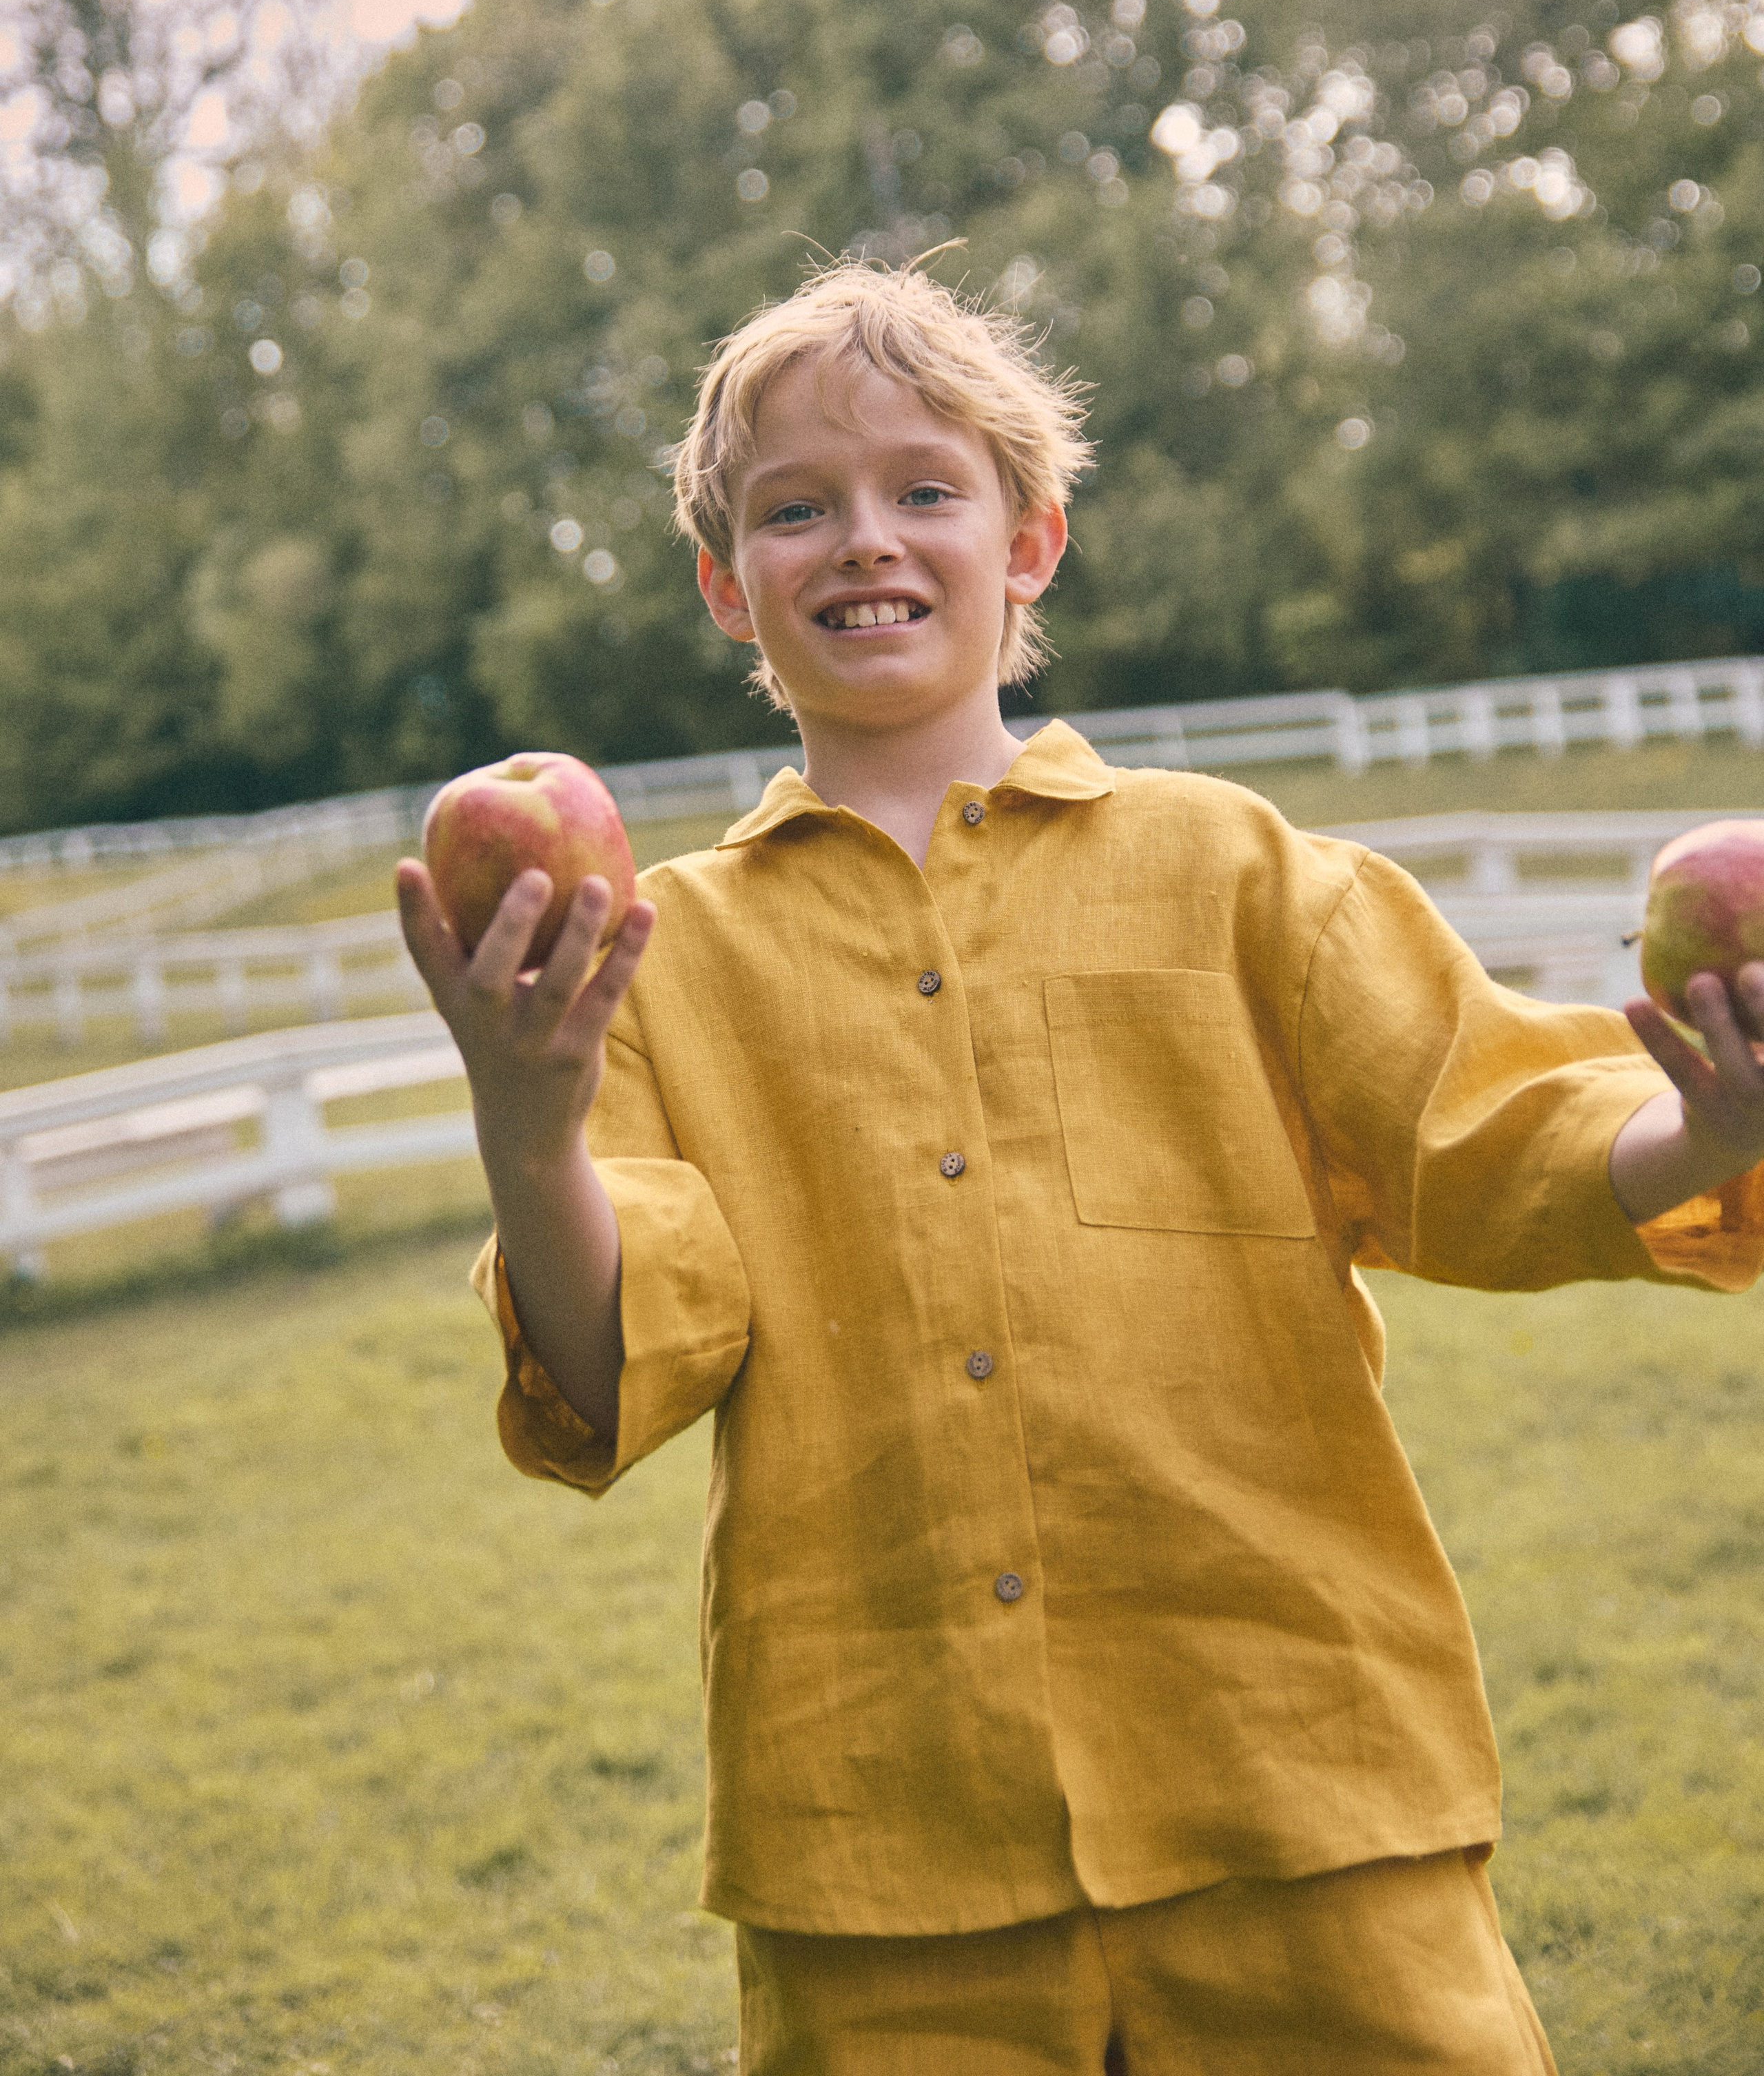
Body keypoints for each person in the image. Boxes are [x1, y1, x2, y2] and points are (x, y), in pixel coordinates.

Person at [398, 260, 1764, 2075]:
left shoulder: (1241, 872)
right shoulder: (666, 955)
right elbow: (613, 1351)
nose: (861, 538)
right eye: (795, 509)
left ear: (1030, 542)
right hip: (884, 1870)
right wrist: (526, 1122)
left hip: (1300, 1794)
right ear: (730, 584)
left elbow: (1498, 1136)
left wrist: (1720, 1123)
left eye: (923, 490)